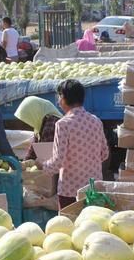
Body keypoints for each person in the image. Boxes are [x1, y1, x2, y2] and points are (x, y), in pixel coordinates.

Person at [40, 80, 109, 209]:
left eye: (59, 96)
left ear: (64, 98)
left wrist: (42, 166)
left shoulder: (63, 124)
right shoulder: (96, 121)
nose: (59, 101)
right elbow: (104, 154)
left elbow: (57, 162)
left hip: (70, 191)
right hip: (93, 188)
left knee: (71, 226)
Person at [15, 96, 63, 161]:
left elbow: (47, 155)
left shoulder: (51, 124)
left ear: (34, 112)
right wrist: (24, 163)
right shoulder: (40, 124)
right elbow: (33, 149)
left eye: (29, 116)